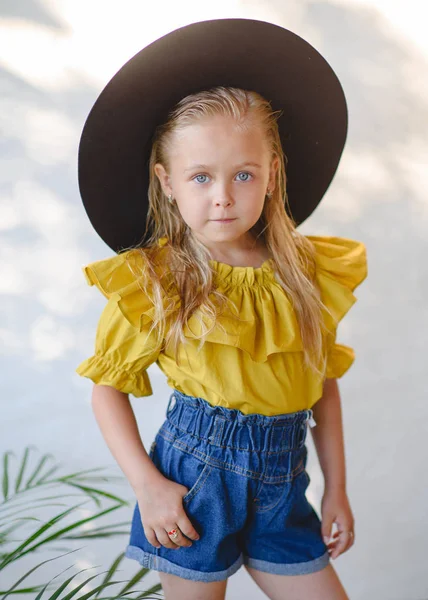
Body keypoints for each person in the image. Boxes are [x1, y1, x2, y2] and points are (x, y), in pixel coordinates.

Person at [76, 19, 367, 600]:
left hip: (286, 482)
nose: (224, 196)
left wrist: (336, 487)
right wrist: (148, 487)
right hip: (195, 480)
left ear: (272, 173)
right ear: (167, 182)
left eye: (244, 174)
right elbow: (107, 388)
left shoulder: (304, 272)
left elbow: (323, 385)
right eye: (201, 176)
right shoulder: (156, 281)